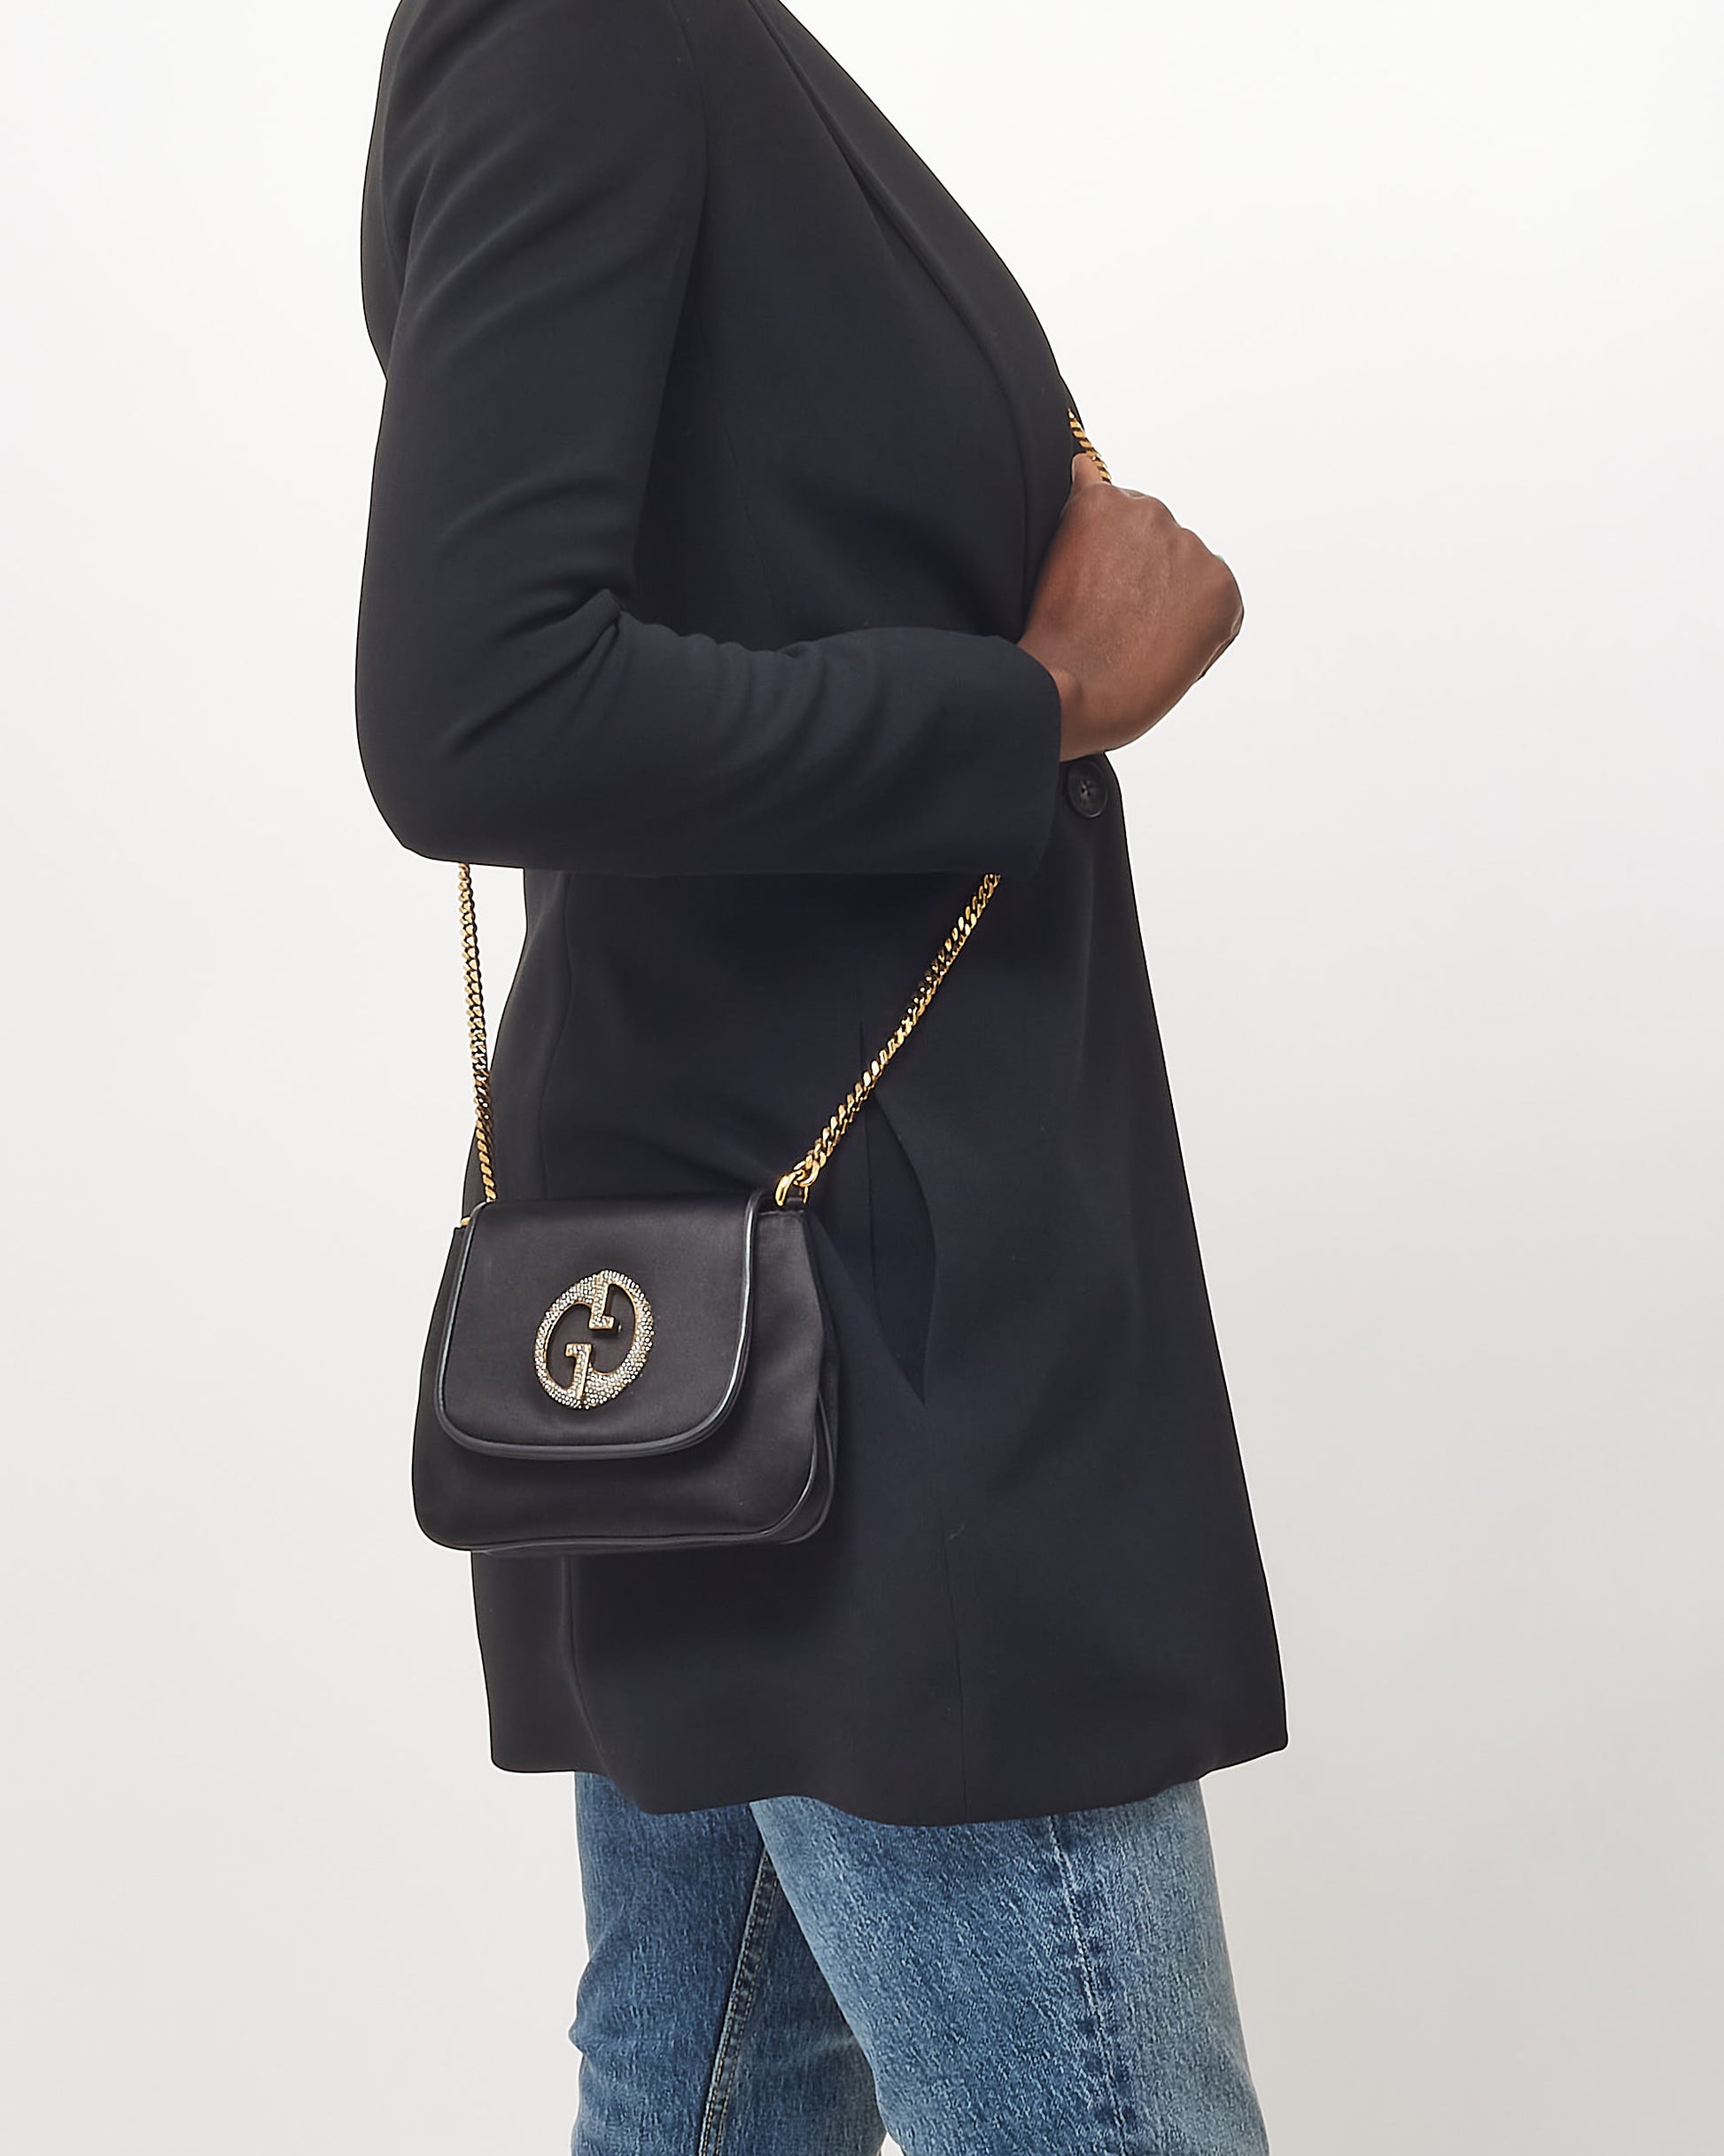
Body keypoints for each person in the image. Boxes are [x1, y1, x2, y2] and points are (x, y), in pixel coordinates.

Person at [355, 0, 1287, 2146]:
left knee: (712, 2097)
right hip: (859, 1334)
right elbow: (471, 704)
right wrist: (1031, 699)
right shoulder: (589, 33)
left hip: (740, 1285)